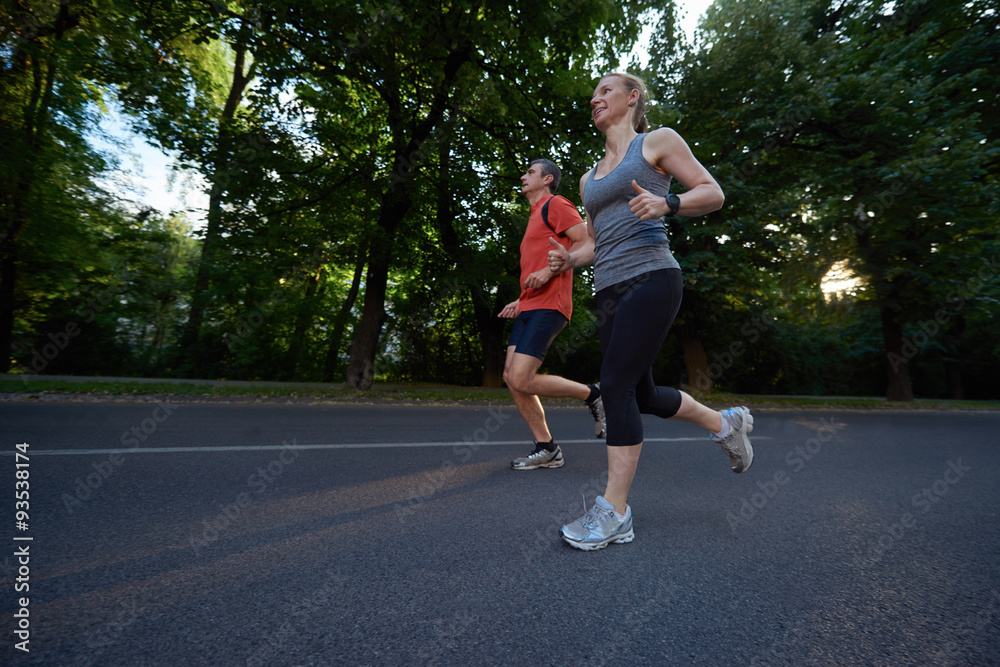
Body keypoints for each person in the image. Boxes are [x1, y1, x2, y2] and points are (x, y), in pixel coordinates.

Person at [546, 73, 754, 550]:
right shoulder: (588, 177)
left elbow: (712, 192)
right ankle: (727, 425)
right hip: (610, 289)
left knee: (614, 385)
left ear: (632, 97)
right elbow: (596, 245)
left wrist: (669, 202)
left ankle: (615, 511)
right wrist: (567, 259)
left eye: (605, 91)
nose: (595, 99)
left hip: (653, 276)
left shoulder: (656, 142)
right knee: (639, 394)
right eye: (593, 95)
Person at [499, 158, 607, 471]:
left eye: (530, 172)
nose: (523, 175)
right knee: (512, 379)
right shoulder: (534, 216)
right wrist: (521, 299)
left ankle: (593, 394)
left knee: (521, 376)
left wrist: (548, 273)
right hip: (530, 305)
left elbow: (589, 242)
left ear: (547, 179)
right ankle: (547, 448)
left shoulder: (556, 204)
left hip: (551, 304)